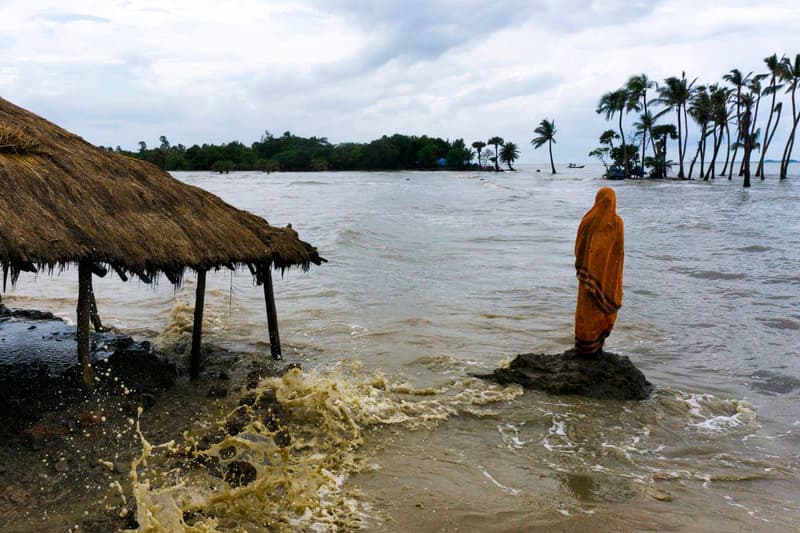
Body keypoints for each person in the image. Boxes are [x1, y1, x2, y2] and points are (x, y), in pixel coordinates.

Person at [574, 187, 624, 356]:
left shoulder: (587, 219)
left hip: (587, 276)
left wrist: (586, 266)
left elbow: (579, 247)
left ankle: (585, 348)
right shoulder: (616, 222)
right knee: (598, 310)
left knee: (586, 311)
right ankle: (596, 348)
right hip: (607, 279)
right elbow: (619, 253)